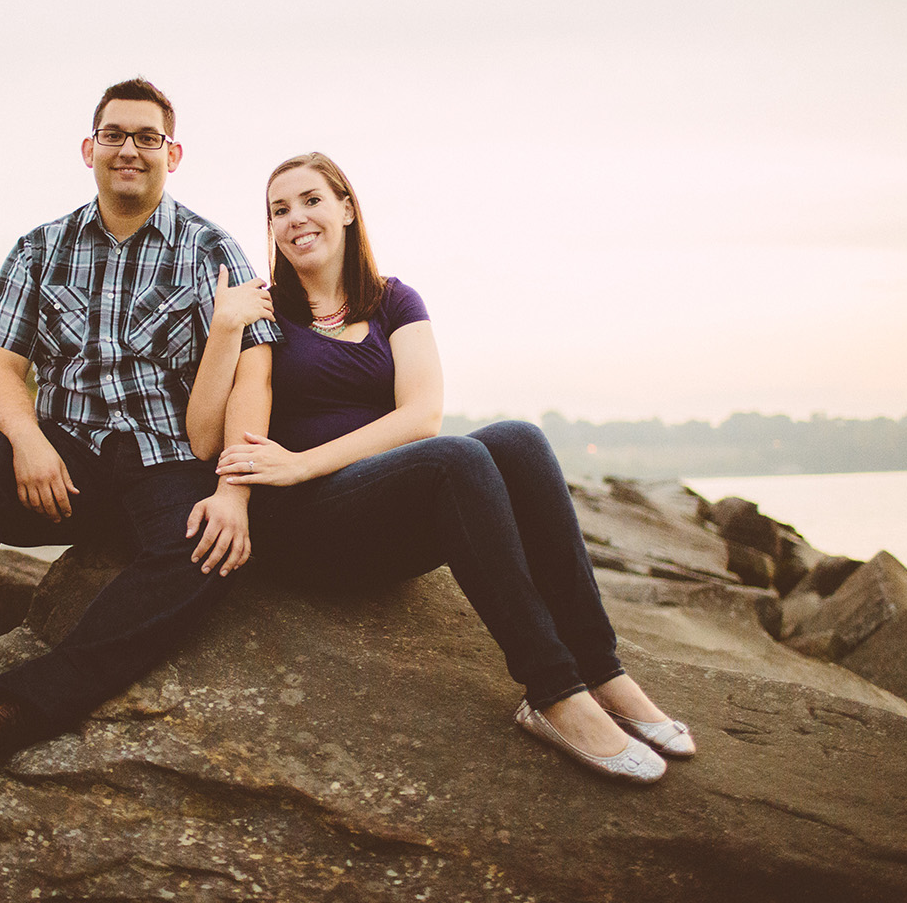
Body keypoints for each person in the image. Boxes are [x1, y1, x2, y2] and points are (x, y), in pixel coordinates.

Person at [0, 78, 281, 781]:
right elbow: (0, 369)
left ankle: (15, 709)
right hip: (68, 454)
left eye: (147, 137)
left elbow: (255, 372)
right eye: (115, 135)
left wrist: (234, 490)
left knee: (204, 548)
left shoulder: (213, 249)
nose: (130, 149)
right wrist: (30, 442)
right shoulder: (41, 247)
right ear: (89, 148)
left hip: (169, 456)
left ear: (174, 153)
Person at [201, 152, 695, 784]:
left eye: (311, 200)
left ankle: (602, 671)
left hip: (371, 512)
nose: (296, 218)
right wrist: (281, 463)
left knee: (518, 439)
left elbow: (422, 415)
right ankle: (552, 692)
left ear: (347, 209)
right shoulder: (266, 313)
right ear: (269, 229)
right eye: (279, 209)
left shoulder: (392, 301)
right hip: (306, 525)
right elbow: (223, 432)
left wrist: (307, 461)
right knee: (456, 459)